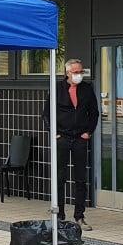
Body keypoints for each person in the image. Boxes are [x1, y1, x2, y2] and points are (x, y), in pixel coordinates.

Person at [43, 58, 100, 229]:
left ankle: (79, 216)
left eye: (81, 71)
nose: (79, 74)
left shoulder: (87, 89)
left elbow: (94, 113)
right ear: (67, 73)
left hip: (80, 138)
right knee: (60, 177)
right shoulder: (57, 89)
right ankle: (59, 215)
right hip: (62, 137)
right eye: (76, 72)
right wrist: (55, 133)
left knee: (80, 178)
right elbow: (46, 114)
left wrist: (88, 132)